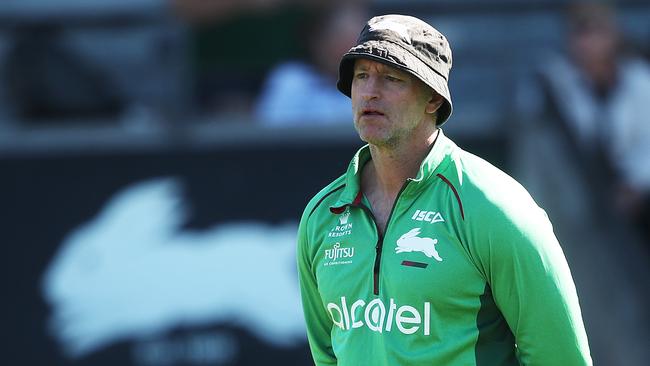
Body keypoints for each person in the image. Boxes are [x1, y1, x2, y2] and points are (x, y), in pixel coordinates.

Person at [296, 14, 592, 365]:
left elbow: (559, 357)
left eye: (391, 78)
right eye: (361, 76)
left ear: (433, 99)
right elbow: (328, 355)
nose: (370, 92)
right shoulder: (321, 216)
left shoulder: (494, 206)